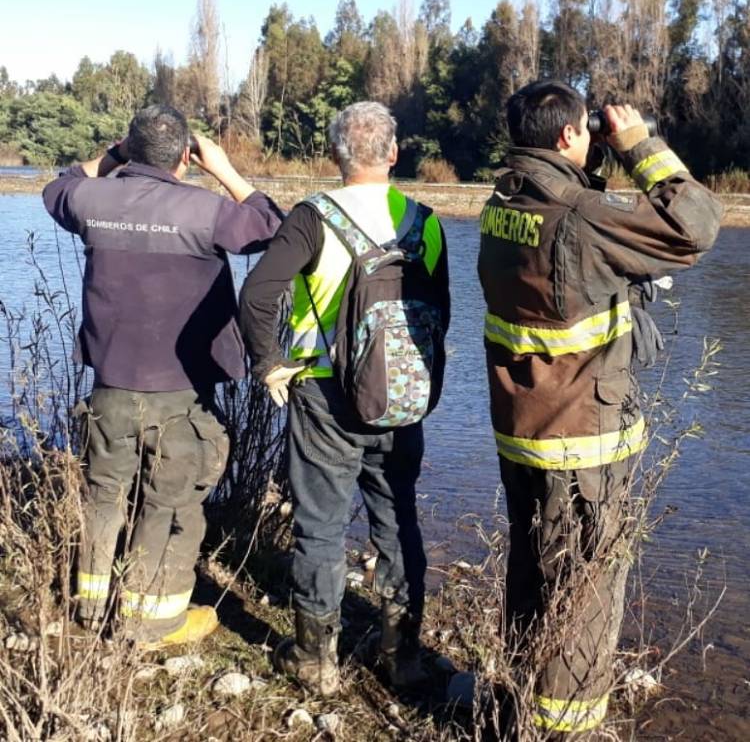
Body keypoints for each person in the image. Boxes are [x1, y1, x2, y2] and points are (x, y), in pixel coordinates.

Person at [476, 81, 722, 736]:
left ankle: (521, 707)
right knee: (582, 591)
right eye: (587, 130)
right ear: (566, 137)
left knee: (533, 572)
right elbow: (695, 224)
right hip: (582, 440)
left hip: (521, 430)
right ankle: (569, 727)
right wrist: (640, 144)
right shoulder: (581, 214)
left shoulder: (502, 202)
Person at [43, 104, 283, 647]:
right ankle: (152, 622)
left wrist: (113, 157)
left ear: (129, 150)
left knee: (105, 495)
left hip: (110, 383)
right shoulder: (204, 209)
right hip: (181, 392)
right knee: (169, 503)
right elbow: (271, 226)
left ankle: (90, 607)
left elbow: (58, 186)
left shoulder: (90, 198)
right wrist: (222, 169)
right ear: (185, 157)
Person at [239, 101, 450, 696]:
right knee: (398, 518)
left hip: (323, 396)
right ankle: (402, 655)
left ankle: (314, 661)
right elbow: (443, 315)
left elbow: (256, 298)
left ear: (335, 154)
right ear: (393, 152)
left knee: (321, 526)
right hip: (401, 398)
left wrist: (269, 364)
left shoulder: (313, 217)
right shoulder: (426, 222)